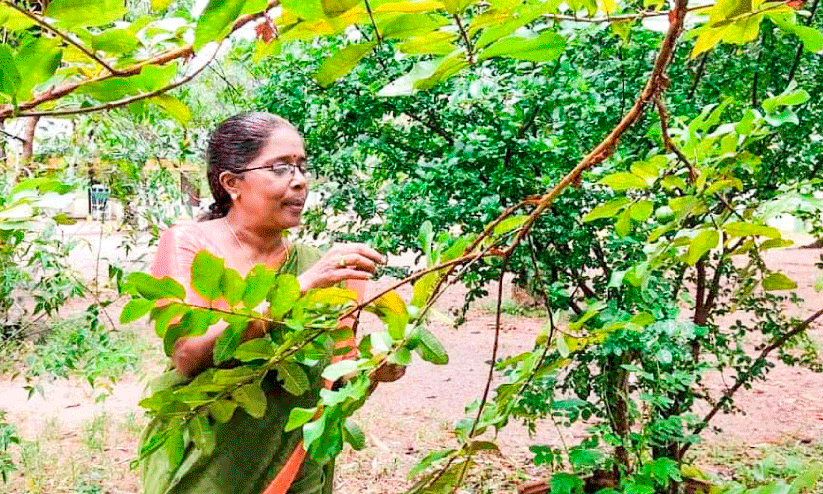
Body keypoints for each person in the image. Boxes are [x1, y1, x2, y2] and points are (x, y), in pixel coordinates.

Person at [139, 112, 404, 494]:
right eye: (280, 168)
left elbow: (336, 384)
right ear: (232, 183)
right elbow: (188, 354)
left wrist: (374, 370)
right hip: (206, 466)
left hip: (296, 469)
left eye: (301, 166)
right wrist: (298, 290)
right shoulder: (190, 243)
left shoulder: (320, 268)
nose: (299, 181)